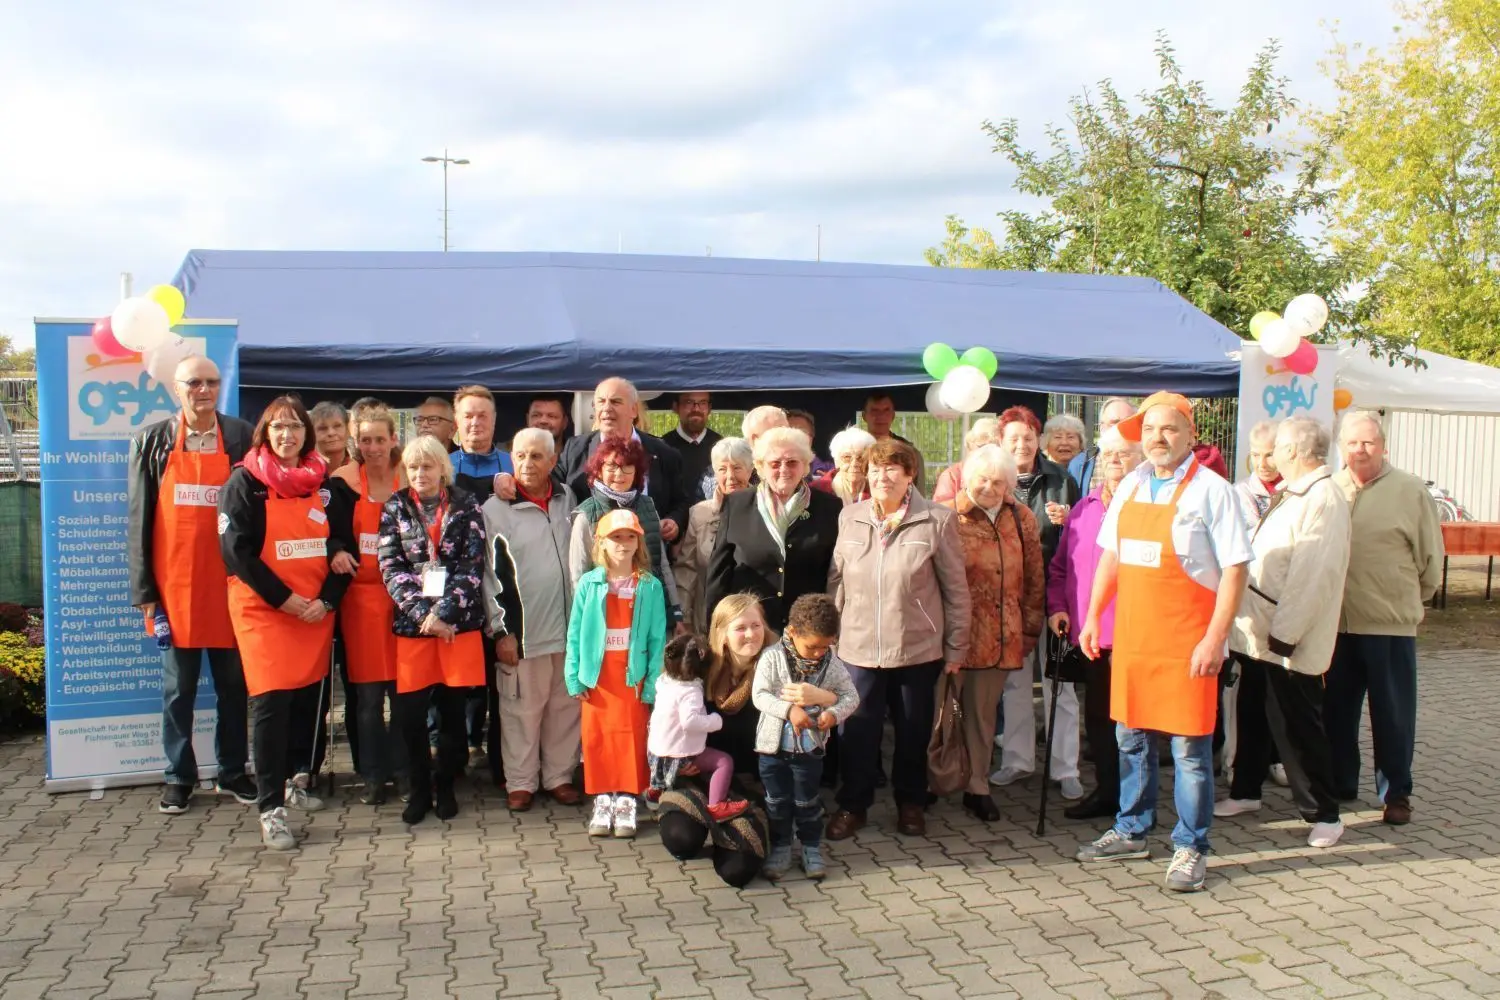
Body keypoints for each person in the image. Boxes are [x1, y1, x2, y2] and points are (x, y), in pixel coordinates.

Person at [1075, 392, 1252, 894]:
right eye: (1149, 429)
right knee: (1129, 738)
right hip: (1135, 639)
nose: (1158, 438)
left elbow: (1236, 569)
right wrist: (1093, 617)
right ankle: (1132, 829)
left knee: (1190, 750)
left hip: (1187, 642)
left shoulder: (1214, 492)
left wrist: (1215, 638)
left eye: (1169, 428)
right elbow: (1111, 556)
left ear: (1190, 435)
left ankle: (1191, 846)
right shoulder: (1132, 484)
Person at [218, 395, 356, 849]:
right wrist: (285, 600)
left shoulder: (324, 484)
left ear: (306, 435)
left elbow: (342, 546)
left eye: (295, 426)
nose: (287, 434)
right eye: (278, 426)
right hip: (265, 612)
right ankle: (270, 808)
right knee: (271, 705)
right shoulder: (244, 482)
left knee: (305, 704)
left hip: (313, 613)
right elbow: (236, 553)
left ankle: (296, 780)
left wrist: (326, 601)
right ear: (265, 433)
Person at [128, 355, 257, 814]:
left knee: (233, 687)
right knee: (178, 691)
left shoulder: (242, 435)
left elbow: (255, 512)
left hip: (230, 584)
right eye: (194, 383)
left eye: (212, 382)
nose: (204, 390)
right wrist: (144, 591)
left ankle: (233, 771)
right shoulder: (152, 441)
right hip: (175, 588)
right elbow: (139, 518)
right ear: (176, 388)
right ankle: (178, 776)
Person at [827, 440, 971, 840]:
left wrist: (956, 647)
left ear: (910, 475)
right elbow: (836, 581)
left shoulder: (937, 520)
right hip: (857, 648)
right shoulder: (850, 517)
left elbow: (956, 591)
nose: (881, 477)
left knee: (912, 732)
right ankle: (853, 804)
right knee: (857, 731)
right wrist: (830, 637)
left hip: (916, 649)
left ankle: (911, 802)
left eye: (891, 469)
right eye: (875, 469)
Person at [1221, 417, 1351, 849]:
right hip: (1260, 632)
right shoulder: (1296, 492)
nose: (1271, 454)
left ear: (1293, 451)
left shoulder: (1323, 497)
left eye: (1277, 446)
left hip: (1285, 639)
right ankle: (1246, 790)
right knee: (1253, 713)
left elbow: (1313, 574)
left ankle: (1324, 813)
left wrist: (1286, 633)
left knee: (1297, 726)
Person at [1325, 410, 1443, 827]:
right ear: (1341, 447)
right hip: (1336, 627)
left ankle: (1396, 795)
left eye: (1368, 442)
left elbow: (1431, 559)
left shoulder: (1410, 491)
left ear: (1383, 447)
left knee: (1392, 717)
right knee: (1336, 714)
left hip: (1388, 625)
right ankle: (1339, 784)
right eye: (1352, 443)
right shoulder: (1330, 489)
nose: (1360, 450)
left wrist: (1409, 600)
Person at [379, 435, 488, 826]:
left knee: (451, 714)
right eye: (413, 467)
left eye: (427, 466)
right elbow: (390, 566)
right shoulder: (395, 506)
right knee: (410, 716)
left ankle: (446, 785)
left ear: (443, 468)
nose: (420, 473)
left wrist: (443, 613)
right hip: (415, 629)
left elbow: (472, 565)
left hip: (456, 626)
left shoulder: (467, 505)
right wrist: (424, 615)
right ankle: (419, 788)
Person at [481, 428, 582, 812]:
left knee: (564, 708)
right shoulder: (495, 509)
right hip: (523, 631)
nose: (527, 464)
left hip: (568, 629)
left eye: (537, 456)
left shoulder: (567, 498)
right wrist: (501, 630)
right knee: (520, 711)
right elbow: (490, 575)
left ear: (553, 461)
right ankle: (521, 782)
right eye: (520, 456)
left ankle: (559, 777)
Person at [942, 444, 1045, 823]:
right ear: (967, 478)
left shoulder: (1021, 517)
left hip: (999, 637)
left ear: (1009, 485)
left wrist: (1030, 629)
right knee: (941, 713)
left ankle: (977, 786)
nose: (988, 488)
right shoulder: (945, 515)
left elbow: (1034, 578)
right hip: (949, 636)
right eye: (982, 479)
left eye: (998, 482)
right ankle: (935, 779)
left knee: (982, 717)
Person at [1047, 429, 1142, 821]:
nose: (1114, 460)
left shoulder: (1146, 508)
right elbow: (1060, 568)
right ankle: (1108, 792)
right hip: (1089, 636)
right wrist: (1057, 608)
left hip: (1132, 634)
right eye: (1108, 453)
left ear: (1141, 460)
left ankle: (1135, 802)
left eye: (1124, 454)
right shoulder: (1083, 509)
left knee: (1131, 724)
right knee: (1099, 720)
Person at [992, 405, 1082, 792]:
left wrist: (1070, 518)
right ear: (1001, 442)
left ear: (1038, 440)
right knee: (1014, 683)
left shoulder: (1062, 479)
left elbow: (1081, 537)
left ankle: (1066, 769)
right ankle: (1018, 760)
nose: (1022, 445)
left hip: (1054, 599)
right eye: (1013, 438)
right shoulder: (994, 480)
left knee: (1059, 685)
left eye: (1028, 438)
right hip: (1011, 599)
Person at [565, 509, 667, 839]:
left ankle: (626, 798)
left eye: (629, 537)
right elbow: (575, 633)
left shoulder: (649, 586)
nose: (623, 544)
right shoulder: (589, 584)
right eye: (616, 537)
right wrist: (573, 676)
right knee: (598, 739)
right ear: (601, 543)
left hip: (631, 677)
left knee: (631, 738)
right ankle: (602, 798)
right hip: (597, 677)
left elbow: (657, 638)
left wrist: (651, 684)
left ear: (639, 542)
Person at [331, 404, 407, 805]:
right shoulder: (342, 483)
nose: (373, 447)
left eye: (380, 439)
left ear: (394, 438)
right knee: (368, 699)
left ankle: (405, 772)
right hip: (360, 604)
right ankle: (373, 776)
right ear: (355, 442)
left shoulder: (410, 477)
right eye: (365, 440)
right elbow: (329, 532)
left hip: (404, 601)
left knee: (404, 695)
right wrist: (336, 550)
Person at [753, 593, 860, 880]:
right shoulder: (772, 657)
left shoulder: (831, 664)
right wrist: (788, 710)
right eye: (812, 647)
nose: (818, 653)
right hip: (772, 752)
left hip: (809, 751)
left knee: (807, 802)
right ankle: (781, 847)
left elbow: (851, 697)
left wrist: (833, 714)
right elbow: (759, 695)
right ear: (792, 632)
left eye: (825, 646)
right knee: (776, 801)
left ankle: (811, 847)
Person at [705, 427, 842, 634]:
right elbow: (719, 573)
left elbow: (836, 576)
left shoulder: (830, 508)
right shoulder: (736, 504)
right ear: (760, 466)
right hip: (751, 631)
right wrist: (713, 630)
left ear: (805, 465)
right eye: (775, 463)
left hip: (807, 631)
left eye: (792, 462)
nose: (783, 469)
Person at [449, 385, 511, 780]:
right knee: (460, 680)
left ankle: (504, 763)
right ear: (456, 421)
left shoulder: (513, 463)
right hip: (459, 587)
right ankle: (458, 754)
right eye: (468, 416)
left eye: (482, 415)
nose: (475, 423)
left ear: (494, 420)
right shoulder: (443, 464)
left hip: (505, 584)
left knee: (501, 678)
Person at [568, 437, 684, 629]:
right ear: (599, 470)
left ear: (637, 472)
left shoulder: (648, 506)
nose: (619, 474)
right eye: (611, 466)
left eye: (627, 467)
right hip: (606, 617)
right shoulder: (586, 515)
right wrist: (585, 621)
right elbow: (578, 575)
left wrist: (675, 610)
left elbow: (661, 563)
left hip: (650, 611)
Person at [557, 378, 692, 541]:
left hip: (649, 550)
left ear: (633, 410)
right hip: (592, 550)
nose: (607, 408)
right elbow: (552, 489)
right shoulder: (574, 450)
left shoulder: (664, 453)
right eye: (601, 402)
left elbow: (680, 502)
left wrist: (674, 522)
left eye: (615, 402)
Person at [647, 634, 747, 821]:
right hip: (680, 756)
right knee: (724, 762)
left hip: (656, 753)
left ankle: (655, 790)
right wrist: (715, 721)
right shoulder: (690, 692)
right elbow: (690, 721)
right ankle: (717, 805)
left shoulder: (663, 682)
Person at [674, 437, 753, 634]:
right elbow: (687, 569)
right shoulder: (699, 513)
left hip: (752, 620)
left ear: (751, 470)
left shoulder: (766, 511)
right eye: (722, 469)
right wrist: (684, 617)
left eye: (737, 468)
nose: (730, 476)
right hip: (708, 619)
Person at [702, 594, 775, 780]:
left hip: (761, 775)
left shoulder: (777, 669)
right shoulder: (702, 669)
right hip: (712, 772)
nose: (750, 634)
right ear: (723, 635)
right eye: (740, 628)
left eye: (756, 625)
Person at [663, 392, 722, 503]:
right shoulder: (662, 447)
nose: (696, 409)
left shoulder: (721, 446)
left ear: (709, 408)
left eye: (702, 403)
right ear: (676, 407)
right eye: (689, 402)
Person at [861, 392, 925, 494]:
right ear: (864, 416)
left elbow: (918, 493)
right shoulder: (854, 450)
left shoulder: (908, 452)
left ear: (893, 416)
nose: (881, 416)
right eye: (874, 411)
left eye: (886, 410)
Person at [1069, 397, 1136, 493]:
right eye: (1115, 423)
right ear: (1101, 428)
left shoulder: (1148, 464)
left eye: (1128, 423)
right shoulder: (1081, 465)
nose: (1121, 429)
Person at [932, 417, 1001, 505]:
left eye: (993, 448)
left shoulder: (1001, 475)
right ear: (969, 446)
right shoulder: (951, 476)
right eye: (982, 446)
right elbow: (940, 510)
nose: (986, 452)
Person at [1235, 420, 1284, 529]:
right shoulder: (1241, 491)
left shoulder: (1296, 488)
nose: (1262, 464)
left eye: (1269, 455)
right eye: (1256, 455)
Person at [812, 427, 875, 505]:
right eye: (847, 457)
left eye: (861, 457)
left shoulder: (878, 489)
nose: (854, 463)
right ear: (836, 460)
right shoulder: (817, 489)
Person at [785, 410, 833, 480]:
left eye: (801, 432)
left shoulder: (832, 472)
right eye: (789, 432)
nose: (795, 437)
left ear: (811, 438)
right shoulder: (772, 470)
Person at [309, 401, 351, 470]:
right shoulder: (303, 469)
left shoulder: (361, 466)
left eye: (337, 426)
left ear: (347, 429)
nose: (331, 433)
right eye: (323, 428)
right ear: (312, 434)